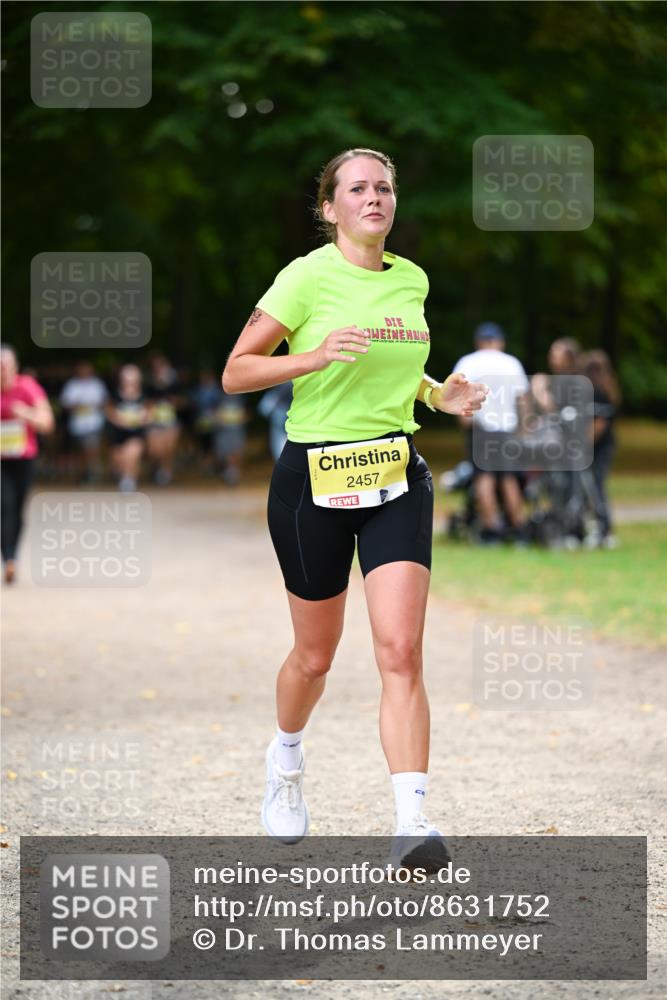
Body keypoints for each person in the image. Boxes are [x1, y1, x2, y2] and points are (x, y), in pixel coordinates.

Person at [222, 148, 488, 871]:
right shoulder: (305, 277)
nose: (374, 198)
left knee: (399, 651)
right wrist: (310, 357)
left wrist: (437, 396)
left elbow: (394, 369)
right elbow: (236, 371)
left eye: (384, 187)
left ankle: (411, 820)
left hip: (395, 473)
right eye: (358, 189)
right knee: (314, 657)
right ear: (329, 207)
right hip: (313, 478)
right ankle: (284, 760)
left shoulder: (411, 278)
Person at [453, 322, 531, 544]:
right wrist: (524, 428)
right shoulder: (511, 363)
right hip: (507, 429)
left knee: (484, 477)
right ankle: (518, 527)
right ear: (500, 341)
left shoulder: (468, 362)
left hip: (482, 428)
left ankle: (491, 529)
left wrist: (464, 420)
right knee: (509, 478)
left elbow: (458, 395)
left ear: (478, 341)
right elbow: (522, 398)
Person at [0, 345, 55, 583]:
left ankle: (13, 556)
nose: (2, 371)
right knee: (4, 505)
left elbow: (47, 423)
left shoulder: (28, 387)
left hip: (23, 458)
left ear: (15, 367)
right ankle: (9, 560)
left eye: (5, 366)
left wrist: (25, 414)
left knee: (17, 509)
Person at [580, 349, 621, 547]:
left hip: (601, 447)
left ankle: (604, 528)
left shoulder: (601, 391)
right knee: (591, 487)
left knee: (595, 486)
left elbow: (600, 424)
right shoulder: (595, 389)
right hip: (597, 446)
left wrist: (584, 443)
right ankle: (596, 527)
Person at [59, 360, 108, 484]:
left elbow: (105, 402)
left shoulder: (97, 384)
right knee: (80, 450)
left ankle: (92, 471)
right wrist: (76, 405)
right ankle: (83, 473)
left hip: (94, 423)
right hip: (77, 425)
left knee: (92, 447)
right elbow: (65, 404)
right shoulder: (72, 385)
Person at [105, 364, 149, 492]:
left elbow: (150, 411)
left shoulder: (144, 395)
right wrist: (119, 420)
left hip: (136, 432)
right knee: (119, 459)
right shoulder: (114, 395)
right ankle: (124, 476)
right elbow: (109, 411)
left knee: (132, 454)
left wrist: (143, 419)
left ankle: (129, 480)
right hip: (117, 433)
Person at [144, 354, 183, 486]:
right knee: (155, 449)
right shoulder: (149, 384)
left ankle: (166, 472)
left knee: (169, 448)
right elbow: (146, 402)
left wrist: (173, 401)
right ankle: (157, 468)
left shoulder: (175, 382)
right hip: (155, 420)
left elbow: (181, 401)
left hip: (170, 420)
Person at [258, 381, 293, 462]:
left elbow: (264, 409)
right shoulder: (282, 387)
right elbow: (264, 408)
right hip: (283, 425)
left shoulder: (283, 387)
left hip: (288, 427)